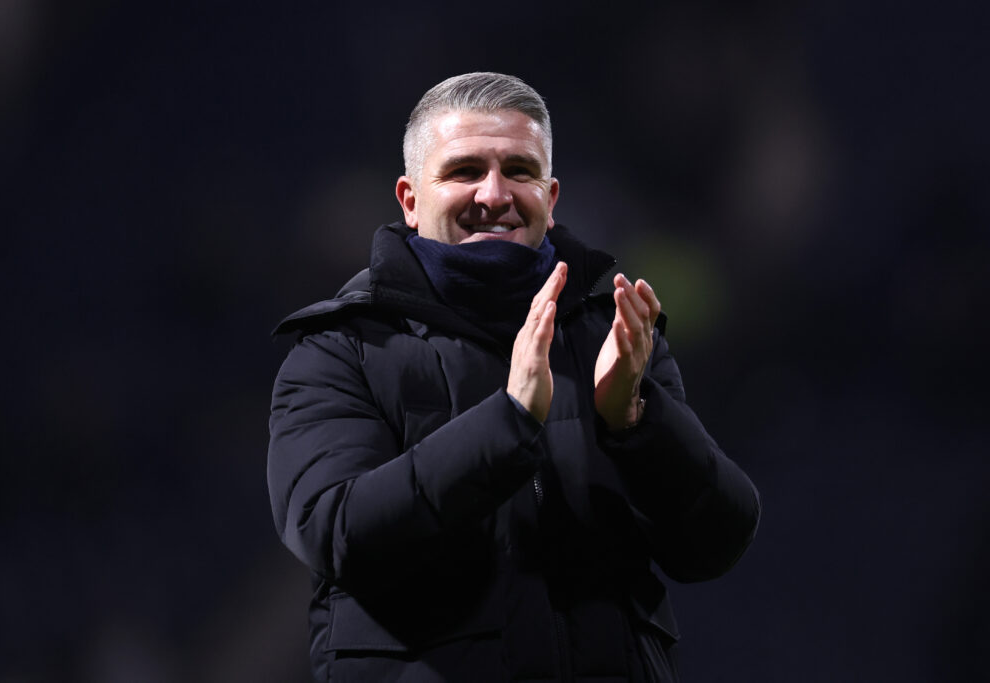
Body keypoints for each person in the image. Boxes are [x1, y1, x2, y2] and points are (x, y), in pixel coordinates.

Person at [267, 72, 760, 682]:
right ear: (410, 199)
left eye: (520, 171)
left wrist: (637, 422)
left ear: (551, 199)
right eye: (465, 170)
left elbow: (715, 542)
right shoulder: (341, 350)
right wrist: (509, 422)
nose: (494, 193)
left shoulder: (614, 338)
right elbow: (335, 531)